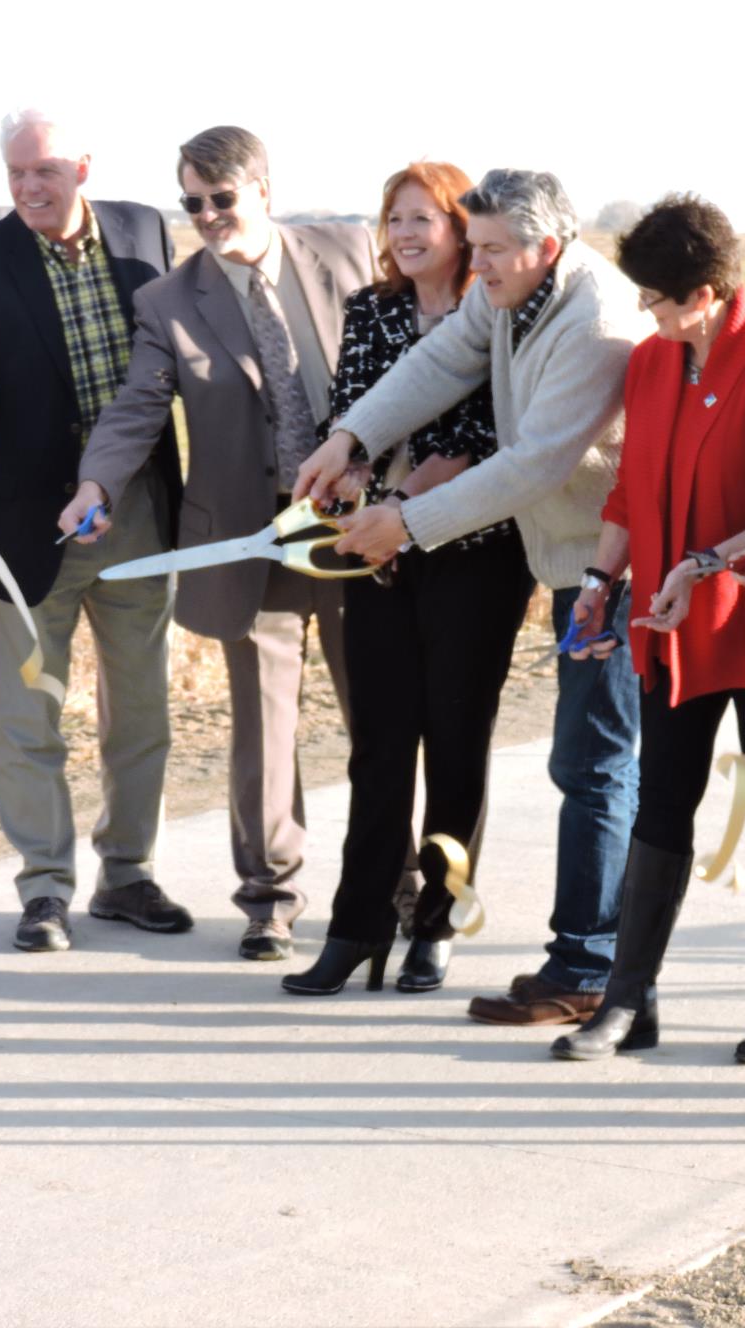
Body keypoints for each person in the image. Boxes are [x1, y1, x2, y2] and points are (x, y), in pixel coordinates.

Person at [295, 168, 648, 1025]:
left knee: (598, 766)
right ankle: (582, 965)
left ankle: (590, 971)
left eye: (490, 250)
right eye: (476, 246)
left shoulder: (594, 321)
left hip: (608, 562)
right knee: (585, 763)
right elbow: (441, 360)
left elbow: (534, 461)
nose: (475, 264)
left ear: (546, 249)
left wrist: (408, 524)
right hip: (563, 554)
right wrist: (349, 438)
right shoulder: (507, 290)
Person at [68, 126, 375, 963]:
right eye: (192, 201)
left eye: (221, 198)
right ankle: (270, 898)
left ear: (264, 189)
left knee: (377, 717)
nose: (206, 215)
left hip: (358, 528)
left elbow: (410, 364)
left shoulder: (351, 252)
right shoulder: (170, 300)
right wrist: (96, 484)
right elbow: (138, 406)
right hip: (255, 537)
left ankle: (400, 884)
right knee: (264, 728)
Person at [547, 195, 745, 1062]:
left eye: (658, 296)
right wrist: (602, 578)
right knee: (663, 799)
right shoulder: (654, 365)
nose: (645, 310)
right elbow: (631, 489)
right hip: (669, 626)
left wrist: (705, 567)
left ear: (703, 292)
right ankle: (630, 1003)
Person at [0, 108, 186, 954]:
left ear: (83, 166)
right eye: (17, 175)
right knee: (29, 716)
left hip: (139, 508)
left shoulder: (145, 233)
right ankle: (44, 889)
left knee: (139, 708)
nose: (31, 188)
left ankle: (129, 875)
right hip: (26, 518)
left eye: (45, 171)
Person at [278, 162, 535, 997]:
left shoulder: (498, 309)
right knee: (378, 747)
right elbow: (353, 408)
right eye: (394, 220)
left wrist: (422, 484)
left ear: (463, 228)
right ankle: (358, 925)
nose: (408, 234)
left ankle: (437, 922)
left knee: (456, 742)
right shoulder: (372, 310)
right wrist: (347, 475)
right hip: (374, 551)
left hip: (475, 551)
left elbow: (498, 432)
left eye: (425, 217)